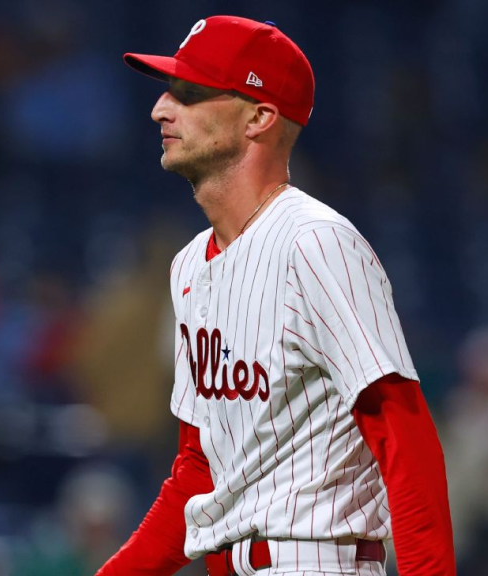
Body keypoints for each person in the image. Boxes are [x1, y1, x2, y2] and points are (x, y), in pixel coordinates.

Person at [99, 16, 454, 576]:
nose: (161, 109)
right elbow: (200, 472)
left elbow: (403, 437)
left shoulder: (317, 244)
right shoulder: (188, 266)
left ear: (259, 117)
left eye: (189, 93)